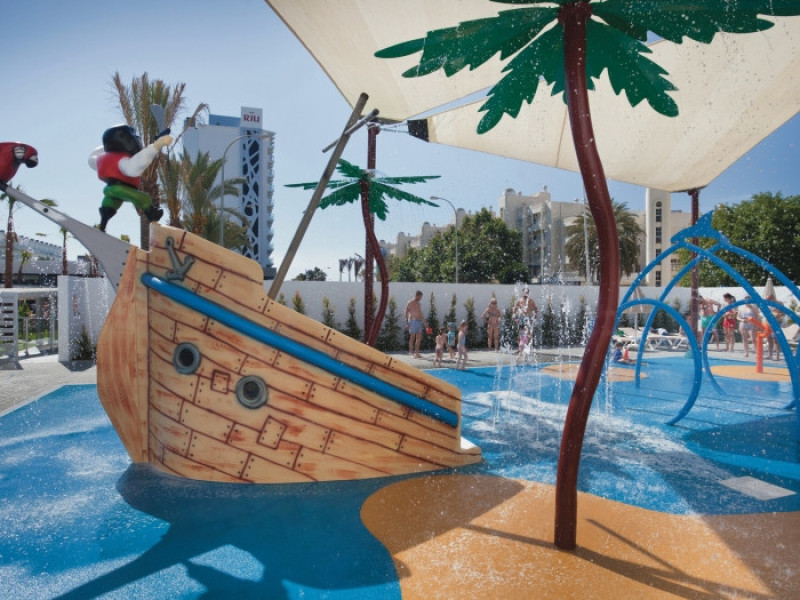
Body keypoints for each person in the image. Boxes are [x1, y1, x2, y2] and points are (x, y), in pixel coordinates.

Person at [89, 124, 172, 231]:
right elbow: (135, 166)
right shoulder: (123, 161)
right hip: (119, 189)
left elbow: (91, 159)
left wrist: (107, 144)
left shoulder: (102, 159)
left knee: (110, 204)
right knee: (143, 198)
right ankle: (153, 217)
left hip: (110, 190)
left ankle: (103, 225)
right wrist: (157, 145)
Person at [404, 290, 426, 358]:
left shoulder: (419, 304)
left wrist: (425, 323)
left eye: (421, 297)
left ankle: (417, 353)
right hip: (412, 321)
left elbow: (420, 313)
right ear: (416, 295)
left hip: (418, 321)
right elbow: (406, 313)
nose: (420, 299)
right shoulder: (410, 303)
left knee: (419, 338)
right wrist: (407, 323)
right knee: (412, 338)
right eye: (420, 297)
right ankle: (411, 353)